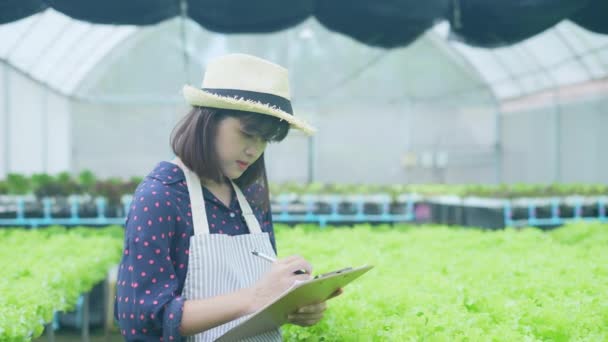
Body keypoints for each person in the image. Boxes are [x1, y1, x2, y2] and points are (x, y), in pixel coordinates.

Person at [114, 53, 341, 341]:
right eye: (248, 133)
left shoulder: (250, 194)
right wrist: (256, 296)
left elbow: (259, 295)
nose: (254, 150)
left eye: (265, 140)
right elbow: (143, 321)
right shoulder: (161, 196)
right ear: (207, 120)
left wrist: (292, 303)